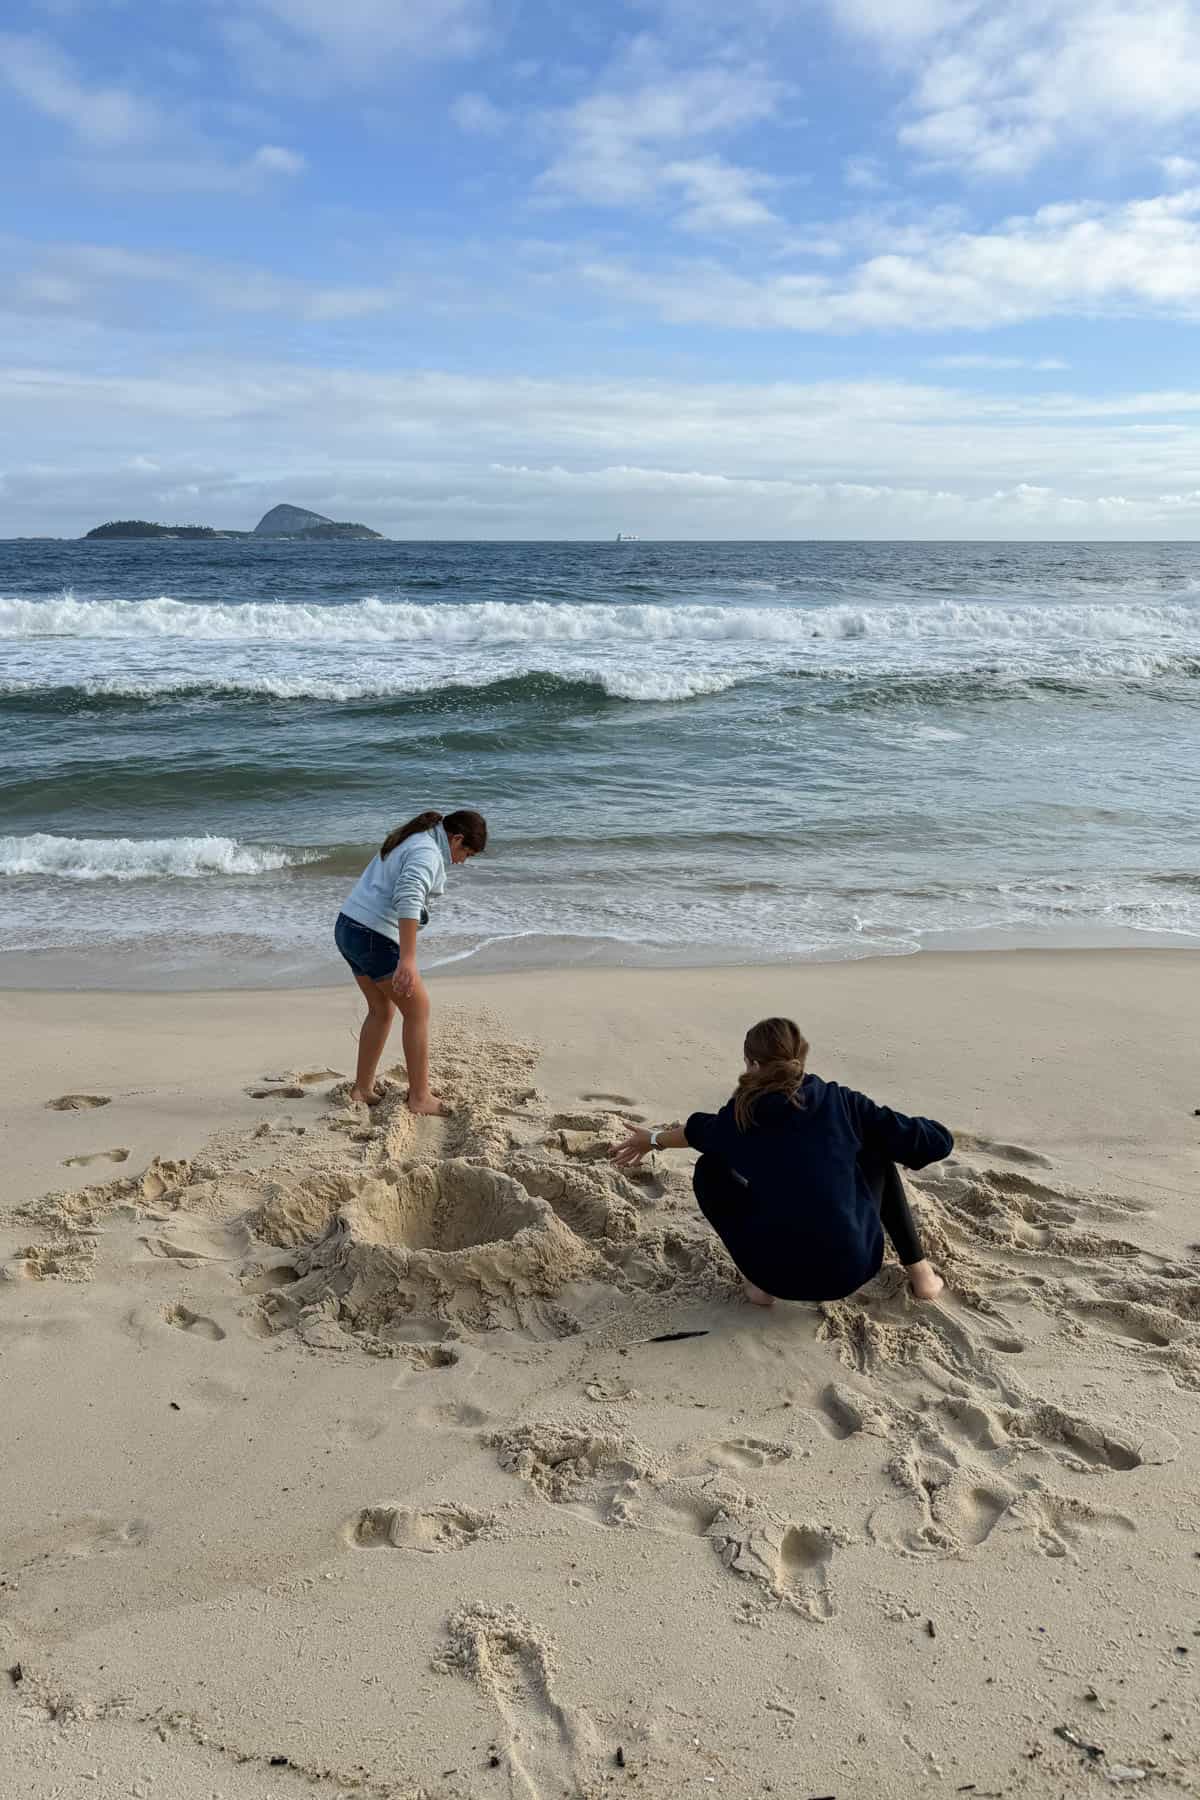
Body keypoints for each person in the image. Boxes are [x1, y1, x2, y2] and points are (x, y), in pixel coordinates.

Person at [609, 1016, 949, 1305]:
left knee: (710, 1169)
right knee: (876, 1150)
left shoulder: (739, 1117)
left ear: (754, 1066)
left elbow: (695, 1132)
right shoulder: (841, 1102)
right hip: (854, 1269)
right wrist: (907, 1143)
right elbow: (935, 1142)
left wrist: (652, 1140)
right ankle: (922, 1277)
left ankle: (757, 1287)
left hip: (776, 1276)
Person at [334, 808, 487, 1113]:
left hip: (348, 927)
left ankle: (362, 1089)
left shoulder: (414, 837)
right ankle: (419, 1097)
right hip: (371, 935)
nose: (462, 861)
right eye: (466, 852)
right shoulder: (427, 852)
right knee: (418, 1010)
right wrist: (408, 959)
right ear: (455, 838)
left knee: (381, 1009)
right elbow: (408, 898)